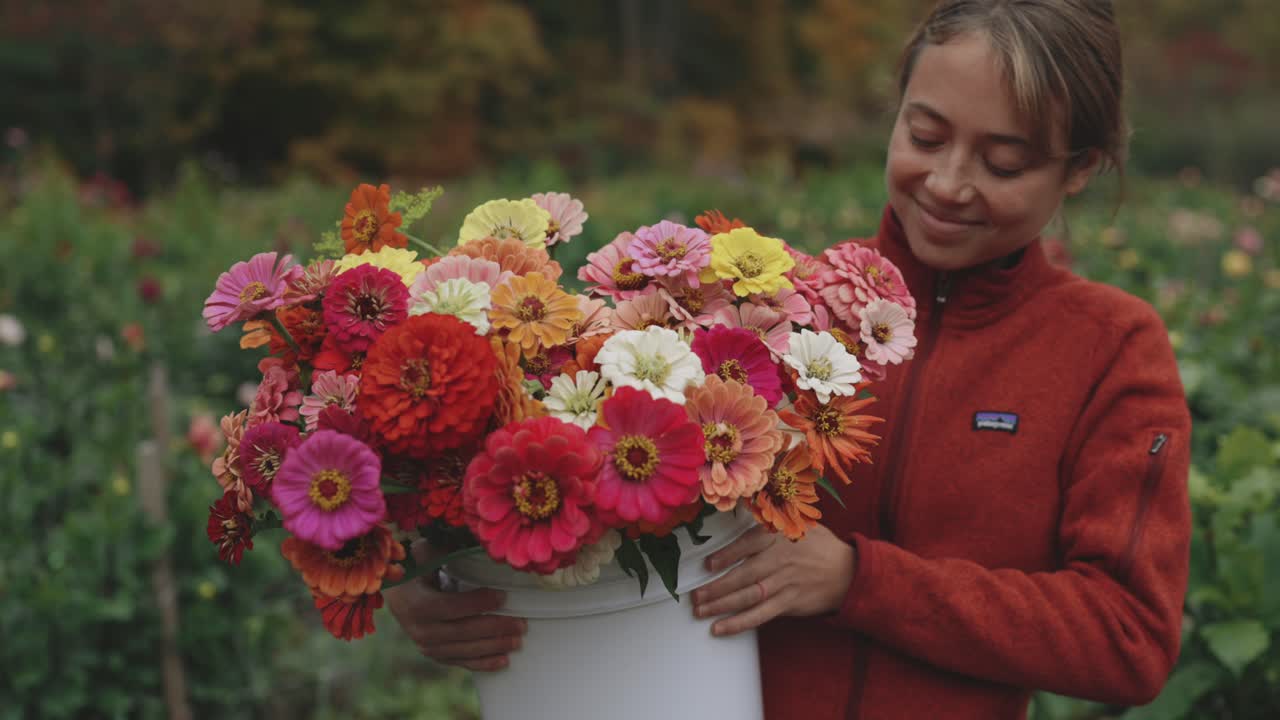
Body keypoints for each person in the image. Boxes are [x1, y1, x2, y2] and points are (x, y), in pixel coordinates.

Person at [387, 1, 1192, 718]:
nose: (948, 183)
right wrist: (435, 578)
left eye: (1004, 162)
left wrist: (859, 582)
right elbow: (584, 486)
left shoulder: (1109, 348)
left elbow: (1128, 637)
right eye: (926, 135)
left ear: (1079, 167)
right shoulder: (765, 309)